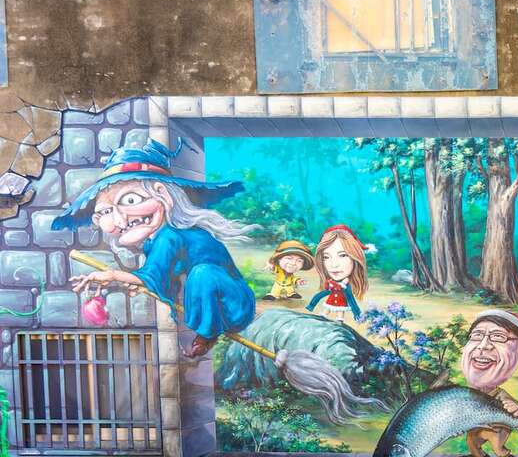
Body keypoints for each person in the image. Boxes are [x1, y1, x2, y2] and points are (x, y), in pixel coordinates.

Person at [54, 140, 257, 358]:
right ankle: (207, 330)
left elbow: (153, 274)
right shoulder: (156, 239)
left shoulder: (169, 235)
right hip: (216, 304)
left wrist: (114, 275)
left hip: (234, 306)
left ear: (163, 195)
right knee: (200, 274)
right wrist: (142, 283)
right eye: (105, 212)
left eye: (130, 200)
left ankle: (207, 334)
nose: (120, 219)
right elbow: (163, 275)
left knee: (203, 273)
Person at [451, 309, 518, 457]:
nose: (483, 346)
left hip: (497, 427)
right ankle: (478, 456)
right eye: (476, 335)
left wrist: (516, 408)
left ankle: (505, 456)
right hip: (477, 427)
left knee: (496, 441)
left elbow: (517, 408)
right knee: (472, 440)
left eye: (498, 336)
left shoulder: (499, 394)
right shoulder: (468, 393)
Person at [306, 225, 372, 322]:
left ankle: (343, 318)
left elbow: (351, 300)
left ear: (356, 257)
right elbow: (322, 294)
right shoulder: (331, 283)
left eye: (343, 255)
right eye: (326, 257)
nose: (333, 265)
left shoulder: (346, 287)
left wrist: (357, 315)